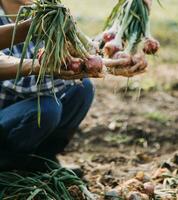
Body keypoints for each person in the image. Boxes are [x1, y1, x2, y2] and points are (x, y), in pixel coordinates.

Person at [0, 0, 150, 172]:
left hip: (26, 108)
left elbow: (80, 48)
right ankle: (9, 165)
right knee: (47, 108)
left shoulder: (44, 13)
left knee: (82, 88)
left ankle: (42, 160)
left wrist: (112, 53)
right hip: (5, 114)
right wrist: (92, 67)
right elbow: (22, 84)